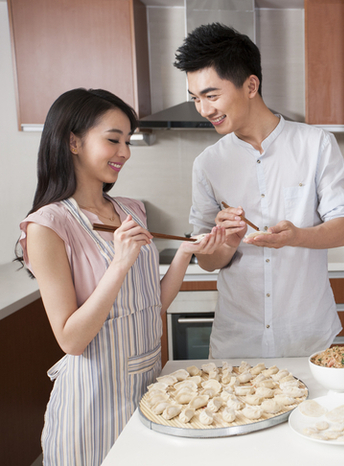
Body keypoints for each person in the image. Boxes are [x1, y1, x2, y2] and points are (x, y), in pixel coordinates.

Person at [17, 88, 223, 465]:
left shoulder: (131, 210)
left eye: (127, 141)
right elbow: (71, 340)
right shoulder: (47, 226)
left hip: (148, 391)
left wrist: (184, 253)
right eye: (113, 139)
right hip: (91, 402)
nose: (124, 152)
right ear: (73, 141)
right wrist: (119, 264)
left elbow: (151, 304)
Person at [173, 23, 344, 358]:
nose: (203, 109)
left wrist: (296, 236)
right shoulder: (208, 164)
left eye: (212, 95)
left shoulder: (316, 145)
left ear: (251, 85)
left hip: (308, 337)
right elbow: (207, 260)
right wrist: (225, 243)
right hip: (238, 341)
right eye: (196, 98)